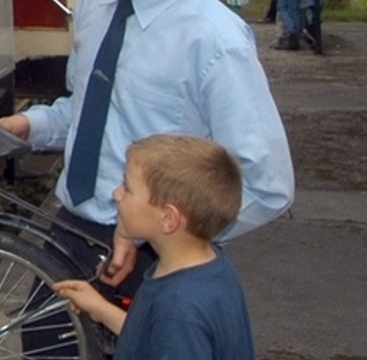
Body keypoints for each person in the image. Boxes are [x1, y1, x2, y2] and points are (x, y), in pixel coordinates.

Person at [0, 0, 293, 301]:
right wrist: (31, 127)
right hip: (71, 230)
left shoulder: (215, 41)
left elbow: (267, 183)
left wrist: (163, 234)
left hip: (159, 259)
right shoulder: (97, 1)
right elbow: (90, 108)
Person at [53, 134, 257, 359]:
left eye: (127, 188)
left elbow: (171, 334)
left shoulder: (179, 309)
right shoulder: (209, 268)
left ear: (168, 219)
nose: (116, 193)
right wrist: (102, 311)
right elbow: (152, 341)